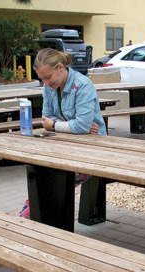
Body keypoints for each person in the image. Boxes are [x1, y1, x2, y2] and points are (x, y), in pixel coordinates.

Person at [19, 48, 106, 219]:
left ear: (60, 67)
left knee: (56, 179)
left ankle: (29, 216)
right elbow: (46, 121)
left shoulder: (82, 85)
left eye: (48, 77)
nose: (45, 83)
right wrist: (70, 126)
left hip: (94, 149)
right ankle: (33, 215)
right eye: (42, 78)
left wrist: (57, 125)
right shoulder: (49, 88)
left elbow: (77, 126)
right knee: (43, 173)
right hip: (67, 145)